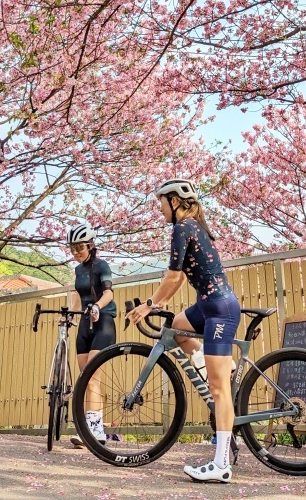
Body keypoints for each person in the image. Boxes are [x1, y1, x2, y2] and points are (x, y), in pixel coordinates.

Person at [128, 179, 240, 483]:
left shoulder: (183, 228)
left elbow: (174, 277)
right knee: (177, 326)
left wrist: (150, 304)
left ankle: (221, 463)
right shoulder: (192, 226)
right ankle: (212, 364)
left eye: (162, 202)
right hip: (207, 307)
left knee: (219, 391)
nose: (160, 208)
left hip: (219, 311)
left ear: (175, 201)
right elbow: (177, 280)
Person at [66, 224, 117, 448]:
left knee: (94, 377)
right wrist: (68, 315)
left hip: (103, 321)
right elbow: (78, 296)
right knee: (85, 379)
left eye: (80, 247)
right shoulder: (77, 270)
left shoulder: (102, 265)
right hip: (85, 325)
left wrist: (96, 306)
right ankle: (92, 429)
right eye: (72, 248)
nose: (76, 252)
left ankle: (95, 432)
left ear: (90, 245)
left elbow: (108, 293)